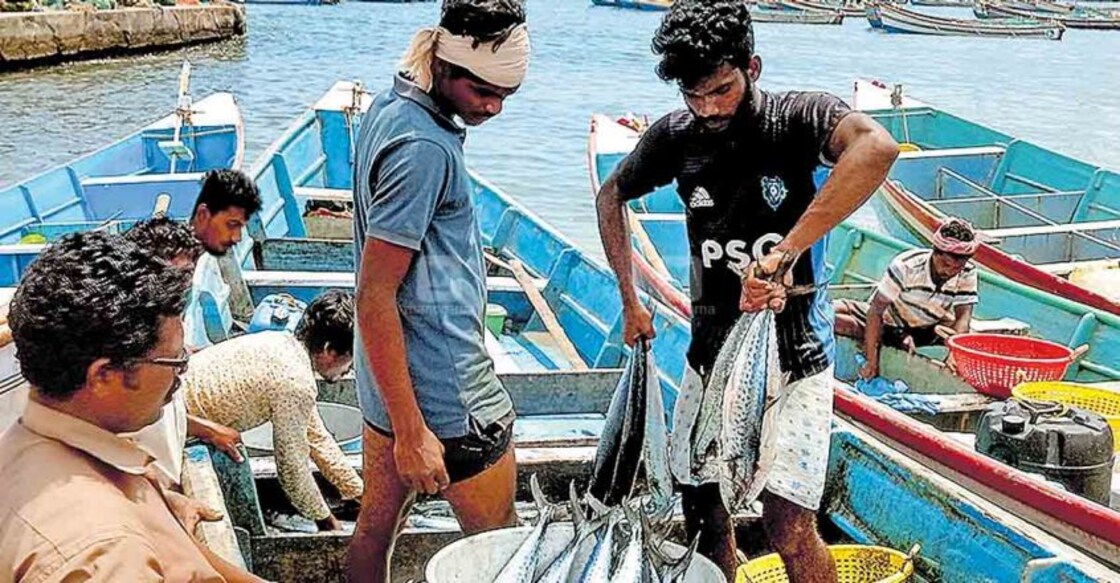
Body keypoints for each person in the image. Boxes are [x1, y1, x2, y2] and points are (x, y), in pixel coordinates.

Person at [594, 1, 898, 581]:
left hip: (795, 355)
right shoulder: (676, 136)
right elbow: (611, 195)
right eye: (694, 95)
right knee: (700, 502)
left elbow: (876, 150)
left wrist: (784, 254)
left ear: (752, 68)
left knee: (787, 522)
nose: (707, 108)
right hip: (710, 350)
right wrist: (630, 302)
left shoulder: (797, 118)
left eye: (721, 90)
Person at [346, 1, 531, 580]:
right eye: (483, 92)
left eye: (507, 94)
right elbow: (374, 294)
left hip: (387, 380)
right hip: (448, 397)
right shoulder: (424, 147)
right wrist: (412, 434)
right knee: (504, 553)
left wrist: (397, 419)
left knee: (375, 529)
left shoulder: (390, 106)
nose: (494, 107)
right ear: (447, 68)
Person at [0, 231, 265, 582]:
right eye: (175, 363)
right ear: (104, 375)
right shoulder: (107, 555)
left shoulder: (30, 446)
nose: (180, 377)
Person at [181, 290, 364, 532]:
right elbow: (291, 467)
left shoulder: (281, 344)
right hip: (172, 425)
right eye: (350, 359)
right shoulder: (295, 381)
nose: (348, 370)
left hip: (171, 406)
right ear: (330, 350)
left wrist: (361, 494)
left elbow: (317, 439)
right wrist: (327, 523)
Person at [835, 217, 978, 380]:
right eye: (946, 264)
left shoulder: (967, 272)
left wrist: (955, 354)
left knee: (973, 343)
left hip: (928, 327)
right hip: (890, 322)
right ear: (935, 253)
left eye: (957, 267)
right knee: (831, 315)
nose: (950, 271)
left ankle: (894, 337)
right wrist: (871, 360)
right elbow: (875, 311)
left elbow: (963, 316)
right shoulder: (906, 266)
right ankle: (881, 334)